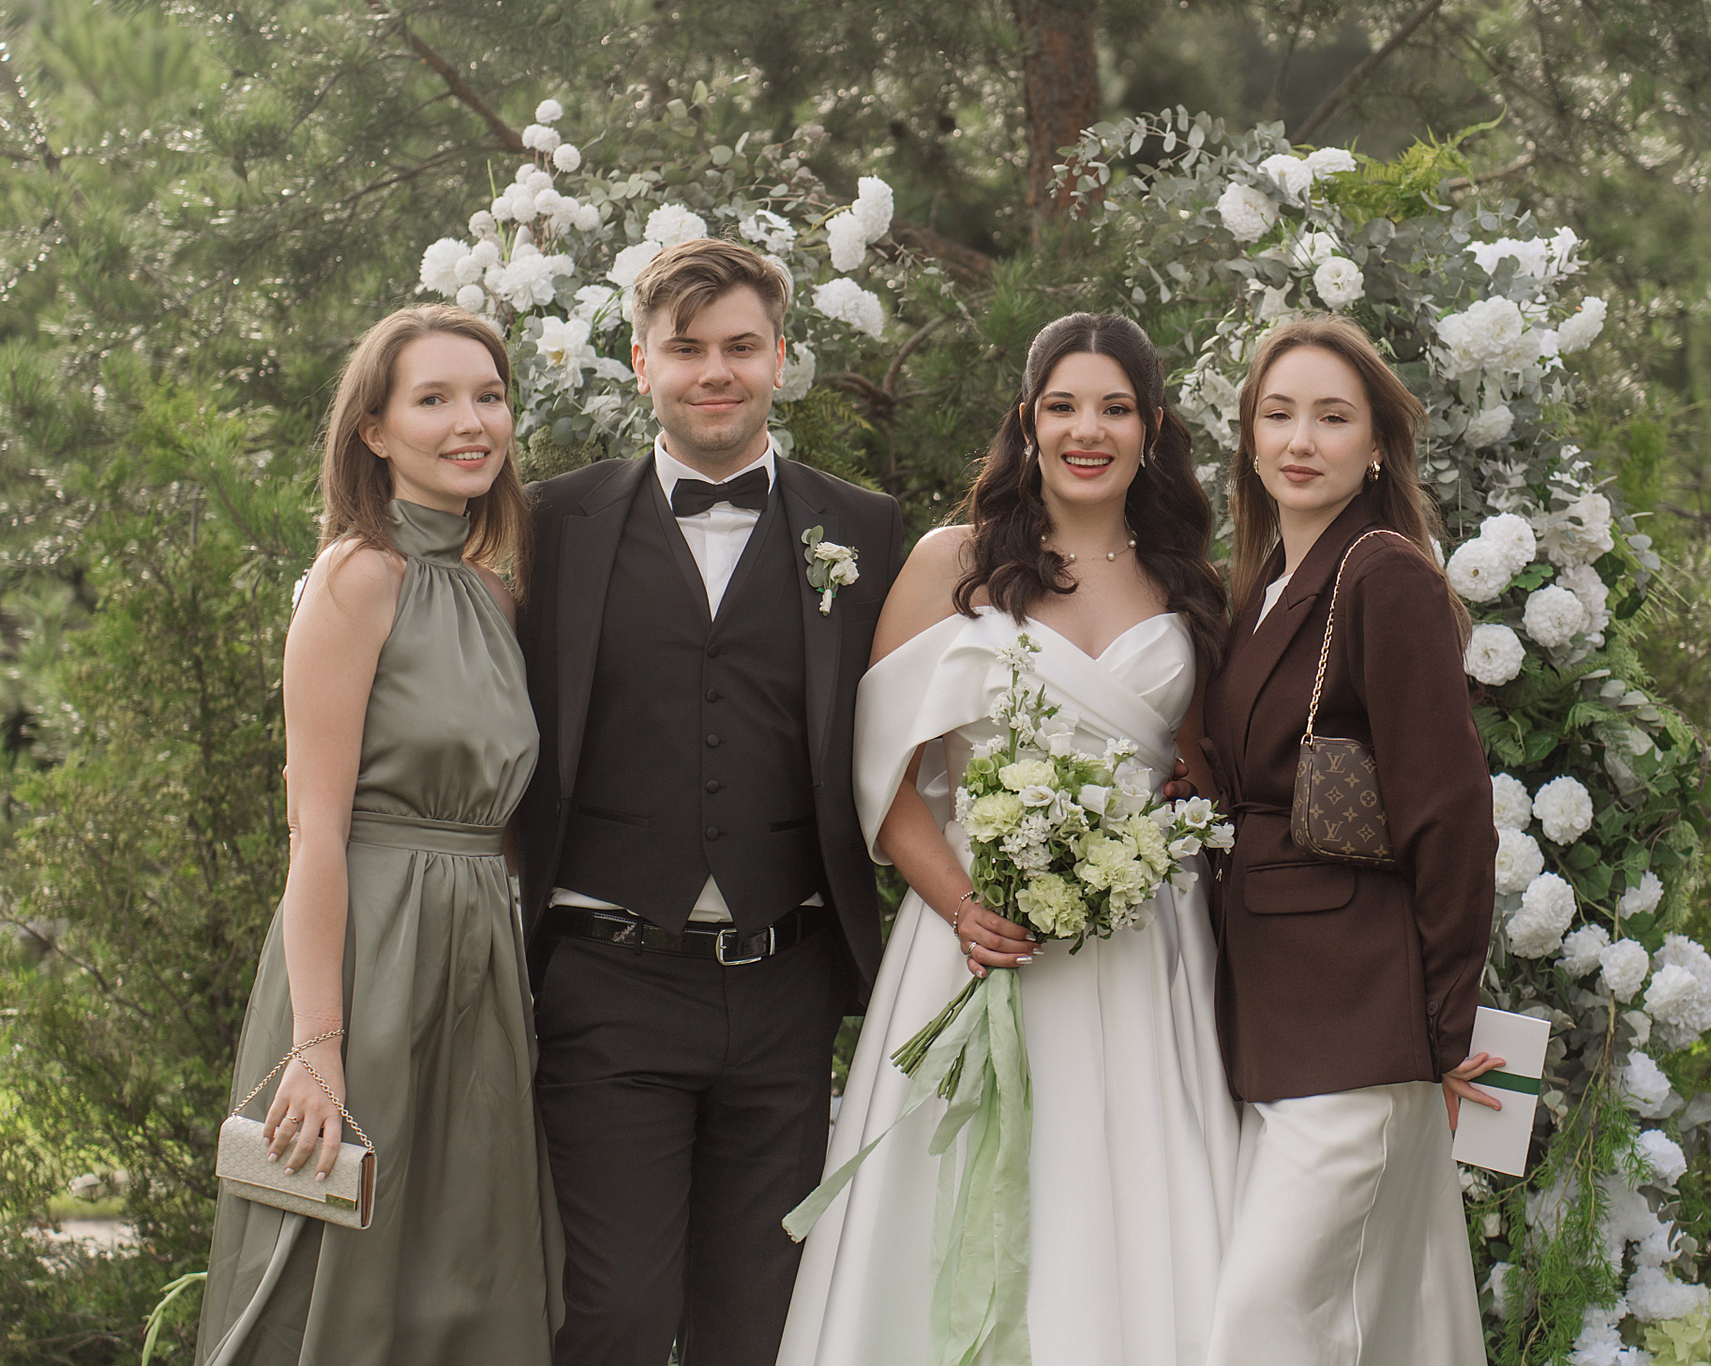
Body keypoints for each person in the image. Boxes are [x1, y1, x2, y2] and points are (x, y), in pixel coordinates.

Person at [778, 313, 1241, 1366]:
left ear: (1151, 426)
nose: (1089, 430)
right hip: (975, 936)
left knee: (1132, 1201)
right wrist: (962, 905)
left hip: (1143, 948)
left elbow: (1204, 766)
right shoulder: (953, 561)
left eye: (1115, 408)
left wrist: (1179, 799)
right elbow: (882, 771)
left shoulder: (1186, 579)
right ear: (1028, 420)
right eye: (1064, 406)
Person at [513, 237, 906, 1366]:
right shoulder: (551, 525)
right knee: (616, 1316)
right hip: (607, 979)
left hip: (786, 985)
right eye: (687, 349)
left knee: (761, 1324)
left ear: (782, 357)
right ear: (642, 363)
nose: (715, 371)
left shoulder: (866, 530)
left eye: (741, 346)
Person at [196, 305, 563, 1365]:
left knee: (460, 1258)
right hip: (368, 954)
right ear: (375, 429)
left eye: (488, 396)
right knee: (337, 1250)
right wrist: (317, 1043)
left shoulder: (496, 597)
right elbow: (313, 829)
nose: (470, 422)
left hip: (478, 960)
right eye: (433, 399)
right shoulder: (356, 577)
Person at [1200, 314, 1501, 1366]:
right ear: (1248, 435)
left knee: (1266, 1323)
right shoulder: (1264, 589)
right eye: (1278, 414)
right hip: (1276, 1018)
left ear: (1376, 445)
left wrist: (1444, 1023)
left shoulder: (1384, 575)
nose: (1300, 440)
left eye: (1332, 417)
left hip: (1363, 1021)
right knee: (1351, 1330)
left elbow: (1451, 813)